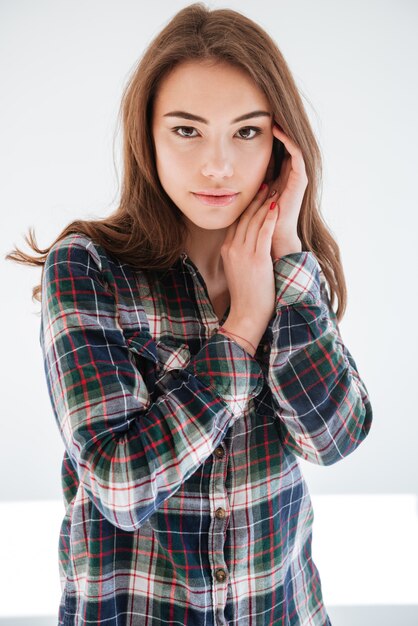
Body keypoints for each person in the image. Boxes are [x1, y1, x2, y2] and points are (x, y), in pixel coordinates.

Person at [6, 3, 373, 625]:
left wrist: (286, 261)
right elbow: (121, 485)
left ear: (283, 146)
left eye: (247, 132)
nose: (217, 165)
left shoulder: (294, 270)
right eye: (187, 130)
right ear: (146, 135)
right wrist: (242, 329)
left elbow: (335, 438)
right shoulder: (89, 268)